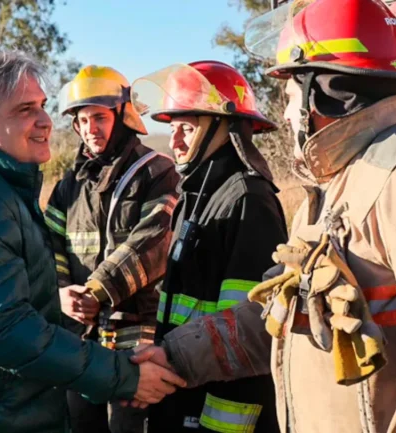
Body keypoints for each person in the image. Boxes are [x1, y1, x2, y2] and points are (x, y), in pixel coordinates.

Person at [136, 1, 396, 432]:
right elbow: (284, 316)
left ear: (328, 93)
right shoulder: (339, 183)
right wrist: (177, 355)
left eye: (290, 94)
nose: (287, 112)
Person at [0, 51, 186, 433]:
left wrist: (90, 295)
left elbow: (151, 239)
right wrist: (71, 301)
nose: (46, 121)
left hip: (34, 380)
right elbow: (7, 331)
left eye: (43, 106)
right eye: (26, 109)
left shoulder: (7, 186)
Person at [126, 60, 288, 432]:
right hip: (183, 393)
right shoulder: (196, 196)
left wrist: (216, 423)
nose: (175, 141)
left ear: (224, 126)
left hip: (220, 411)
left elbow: (253, 328)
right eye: (172, 128)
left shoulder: (248, 199)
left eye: (187, 127)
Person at [46, 65, 180, 433]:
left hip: (136, 334)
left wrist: (97, 292)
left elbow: (152, 241)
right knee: (80, 421)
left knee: (126, 425)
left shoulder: (156, 171)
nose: (90, 129)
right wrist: (61, 294)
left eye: (100, 118)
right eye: (83, 120)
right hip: (79, 336)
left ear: (123, 116)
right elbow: (50, 245)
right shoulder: (68, 186)